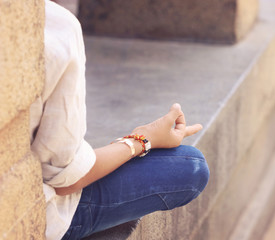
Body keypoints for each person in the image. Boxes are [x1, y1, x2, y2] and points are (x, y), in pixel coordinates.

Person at [30, 1, 210, 239]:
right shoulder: (53, 25)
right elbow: (66, 180)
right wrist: (143, 139)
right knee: (189, 165)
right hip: (37, 217)